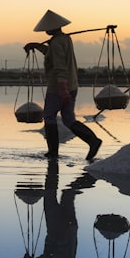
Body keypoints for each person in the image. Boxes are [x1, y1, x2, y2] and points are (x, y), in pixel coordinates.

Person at [23, 10, 102, 161]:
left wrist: (62, 88)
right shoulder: (64, 39)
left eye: (47, 28)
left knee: (49, 116)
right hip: (71, 85)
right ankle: (93, 140)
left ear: (53, 27)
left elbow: (59, 66)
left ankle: (53, 151)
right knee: (68, 119)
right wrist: (36, 46)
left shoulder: (57, 41)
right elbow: (53, 54)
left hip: (58, 87)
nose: (46, 31)